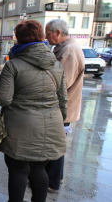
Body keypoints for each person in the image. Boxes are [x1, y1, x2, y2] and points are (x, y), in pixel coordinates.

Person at [0, 20, 68, 202]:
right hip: (51, 125)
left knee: (19, 170)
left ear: (18, 39)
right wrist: (60, 120)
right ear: (41, 37)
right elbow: (63, 99)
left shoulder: (13, 65)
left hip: (20, 128)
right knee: (39, 169)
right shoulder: (56, 64)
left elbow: (3, 99)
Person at [44, 19, 85, 192]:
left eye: (48, 33)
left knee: (54, 145)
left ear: (58, 32)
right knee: (56, 144)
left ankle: (52, 183)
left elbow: (62, 82)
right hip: (63, 107)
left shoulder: (69, 50)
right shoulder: (65, 48)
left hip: (62, 108)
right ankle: (55, 179)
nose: (46, 36)